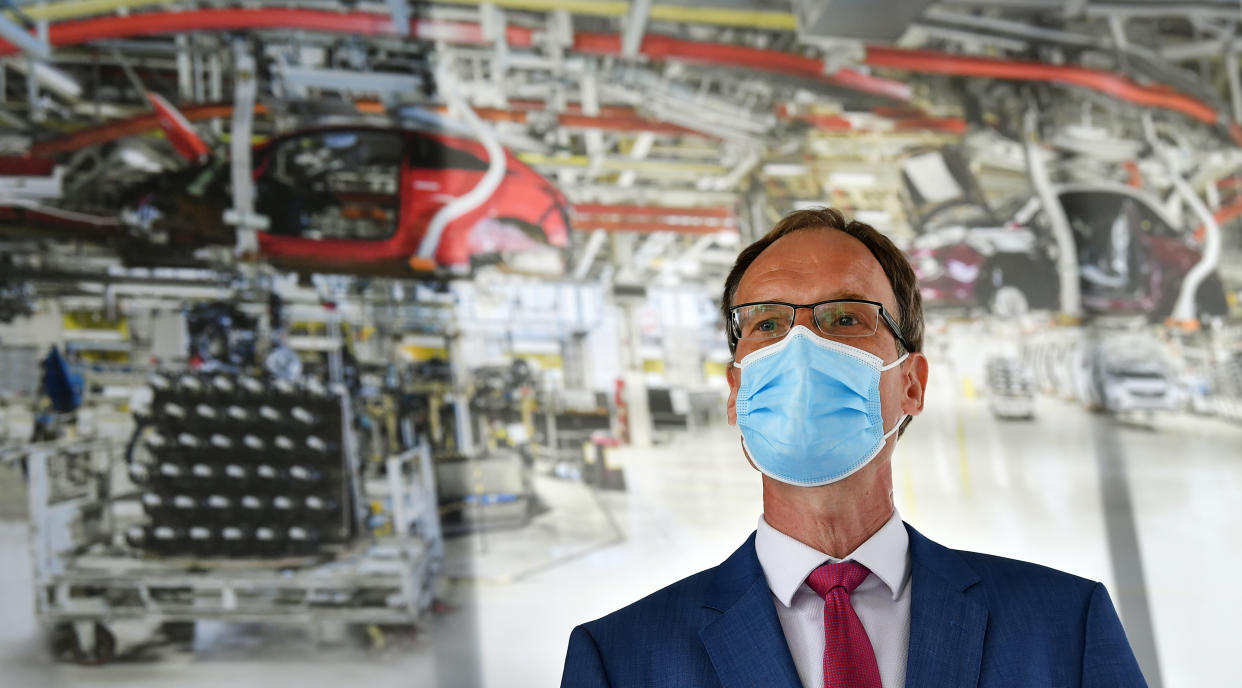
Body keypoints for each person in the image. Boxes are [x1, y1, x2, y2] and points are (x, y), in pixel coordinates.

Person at [560, 208, 1146, 687]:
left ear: (910, 383)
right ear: (736, 391)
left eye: (844, 318)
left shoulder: (1065, 628)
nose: (800, 347)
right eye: (765, 324)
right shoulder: (619, 660)